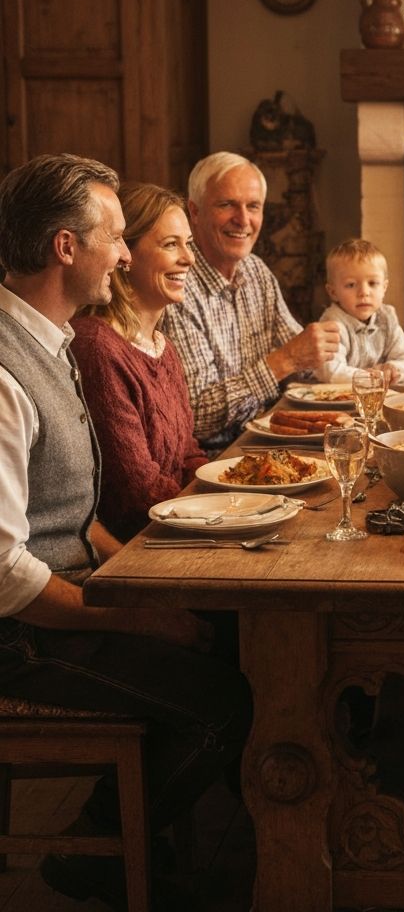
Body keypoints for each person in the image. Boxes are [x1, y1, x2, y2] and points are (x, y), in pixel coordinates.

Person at [0, 154, 251, 907]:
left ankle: (263, 827)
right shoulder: (8, 372)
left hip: (68, 597)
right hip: (20, 640)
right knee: (224, 703)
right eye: (114, 236)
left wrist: (141, 582)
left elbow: (78, 520)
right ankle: (91, 855)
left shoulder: (54, 341)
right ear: (65, 248)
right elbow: (5, 572)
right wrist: (140, 614)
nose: (123, 252)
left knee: (231, 636)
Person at [162, 151, 342, 451]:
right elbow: (198, 417)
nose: (243, 220)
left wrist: (354, 357)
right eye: (226, 204)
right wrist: (284, 360)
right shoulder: (179, 285)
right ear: (194, 212)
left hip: (272, 438)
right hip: (217, 458)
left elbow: (305, 360)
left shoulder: (256, 270)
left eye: (253, 206)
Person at [70, 183, 207, 544]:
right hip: (138, 546)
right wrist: (221, 513)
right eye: (170, 244)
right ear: (125, 255)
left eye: (188, 243)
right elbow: (137, 492)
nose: (189, 259)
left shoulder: (163, 346)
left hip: (183, 526)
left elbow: (188, 454)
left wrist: (238, 490)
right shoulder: (97, 346)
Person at [316, 238, 404, 386]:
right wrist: (372, 377)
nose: (364, 292)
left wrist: (395, 369)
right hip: (336, 400)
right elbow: (331, 372)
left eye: (372, 283)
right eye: (351, 285)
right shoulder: (332, 323)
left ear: (384, 288)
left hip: (375, 397)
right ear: (333, 292)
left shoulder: (386, 317)